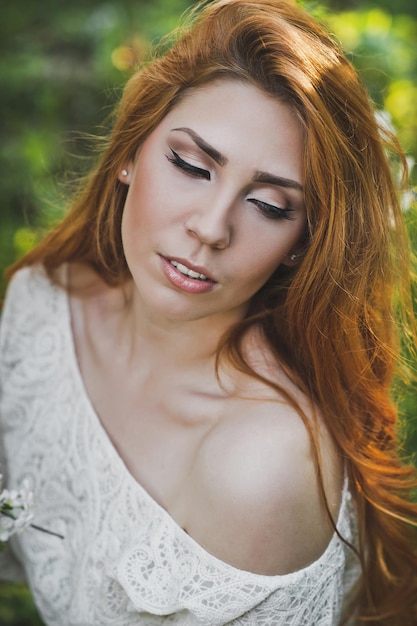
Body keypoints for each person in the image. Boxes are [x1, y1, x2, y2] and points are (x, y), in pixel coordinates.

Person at [1, 0, 417, 623]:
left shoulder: (260, 466)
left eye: (271, 206)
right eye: (192, 166)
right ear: (130, 153)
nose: (211, 227)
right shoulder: (43, 304)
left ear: (301, 242)